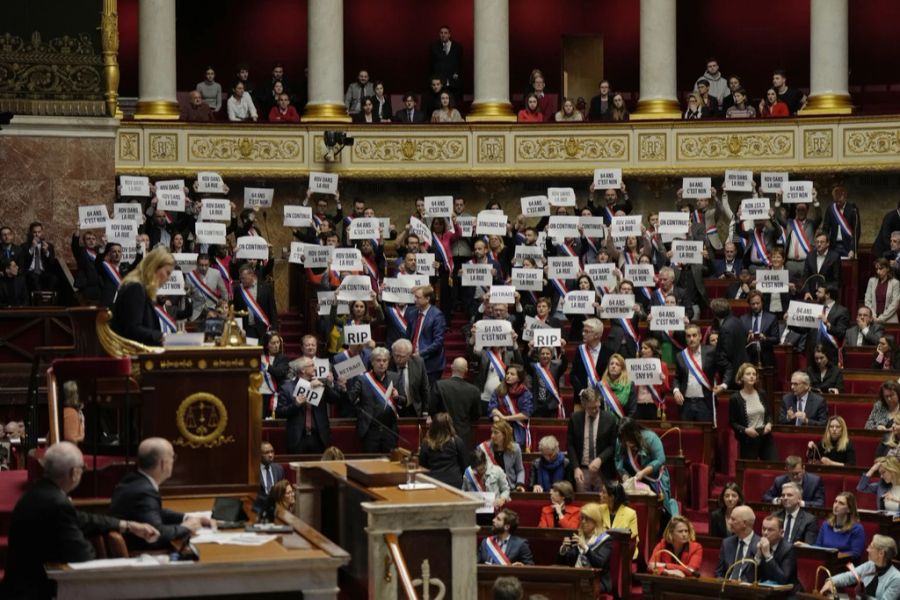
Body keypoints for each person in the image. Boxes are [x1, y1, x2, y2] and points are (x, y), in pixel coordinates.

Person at [1, 442, 159, 599]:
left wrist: (127, 525)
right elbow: (83, 556)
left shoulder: (40, 491)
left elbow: (83, 519)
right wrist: (96, 544)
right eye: (83, 468)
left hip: (21, 587)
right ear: (74, 472)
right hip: (37, 593)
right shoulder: (57, 503)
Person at [109, 437, 214, 550]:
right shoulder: (144, 491)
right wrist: (186, 527)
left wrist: (187, 517)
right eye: (173, 457)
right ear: (163, 464)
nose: (174, 461)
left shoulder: (133, 479)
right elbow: (158, 535)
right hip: (140, 554)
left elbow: (154, 512)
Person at [110, 246, 174, 346]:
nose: (168, 278)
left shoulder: (139, 287)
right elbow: (132, 329)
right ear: (155, 267)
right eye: (167, 273)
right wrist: (161, 336)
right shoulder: (135, 288)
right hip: (132, 354)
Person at [615, 418, 678, 516]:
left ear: (635, 433)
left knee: (662, 511)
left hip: (653, 478)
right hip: (633, 480)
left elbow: (660, 459)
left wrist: (643, 472)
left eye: (628, 439)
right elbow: (618, 460)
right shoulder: (620, 441)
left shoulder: (650, 437)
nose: (627, 443)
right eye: (624, 440)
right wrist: (624, 475)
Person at [349, 347, 405, 453]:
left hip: (389, 430)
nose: (381, 363)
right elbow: (351, 399)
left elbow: (404, 401)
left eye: (385, 360)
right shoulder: (363, 379)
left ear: (388, 362)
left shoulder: (395, 377)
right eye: (378, 360)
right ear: (372, 362)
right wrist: (343, 386)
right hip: (370, 430)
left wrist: (397, 397)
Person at [277, 356, 337, 454]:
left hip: (319, 436)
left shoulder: (320, 384)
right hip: (298, 438)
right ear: (303, 370)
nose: (315, 368)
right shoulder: (287, 387)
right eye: (312, 365)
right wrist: (295, 404)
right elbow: (279, 412)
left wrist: (326, 385)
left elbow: (335, 400)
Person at [567, 388, 618, 491]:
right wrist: (576, 467)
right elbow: (570, 445)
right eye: (591, 408)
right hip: (582, 469)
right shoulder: (575, 418)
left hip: (603, 469)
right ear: (584, 405)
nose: (595, 410)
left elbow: (613, 445)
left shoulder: (610, 419)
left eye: (597, 406)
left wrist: (600, 458)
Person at [821, 535, 900, 599]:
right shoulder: (870, 565)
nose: (867, 549)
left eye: (871, 547)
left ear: (881, 553)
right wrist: (832, 581)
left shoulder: (896, 579)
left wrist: (864, 597)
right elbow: (849, 576)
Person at [557, 502, 613, 591]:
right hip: (576, 579)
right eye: (582, 518)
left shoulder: (606, 540)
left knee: (581, 588)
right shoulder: (576, 537)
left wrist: (585, 548)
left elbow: (599, 564)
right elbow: (566, 564)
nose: (583, 522)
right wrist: (564, 550)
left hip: (597, 581)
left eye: (587, 519)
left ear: (596, 520)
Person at [673, 323, 722, 422]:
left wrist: (723, 384)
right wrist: (676, 391)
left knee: (706, 435)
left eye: (694, 335)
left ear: (700, 336)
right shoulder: (680, 356)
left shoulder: (711, 351)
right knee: (688, 435)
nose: (691, 339)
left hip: (704, 402)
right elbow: (677, 377)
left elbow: (725, 367)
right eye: (688, 336)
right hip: (686, 403)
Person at [433, 357, 482, 452]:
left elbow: (432, 409)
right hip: (464, 435)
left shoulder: (439, 385)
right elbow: (477, 415)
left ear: (451, 367)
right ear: (466, 370)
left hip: (442, 434)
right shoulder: (474, 390)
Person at [730, 363, 777, 460]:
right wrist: (745, 430)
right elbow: (732, 422)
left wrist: (769, 423)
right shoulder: (735, 398)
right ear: (741, 377)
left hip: (765, 436)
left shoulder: (762, 393)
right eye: (748, 374)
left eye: (754, 374)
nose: (752, 376)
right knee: (750, 470)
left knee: (772, 465)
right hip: (748, 438)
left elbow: (768, 414)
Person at [405, 285, 446, 384]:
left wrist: (420, 353)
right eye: (415, 297)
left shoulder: (437, 315)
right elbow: (408, 336)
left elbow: (438, 342)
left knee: (429, 395)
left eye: (418, 298)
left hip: (431, 363)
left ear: (427, 299)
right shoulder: (413, 313)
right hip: (413, 360)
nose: (415, 300)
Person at [810, 492, 865, 562]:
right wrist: (807, 547)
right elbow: (818, 546)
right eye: (835, 502)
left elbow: (856, 554)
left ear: (849, 509)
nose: (836, 505)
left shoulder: (857, 529)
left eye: (841, 503)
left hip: (844, 565)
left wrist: (837, 556)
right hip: (825, 562)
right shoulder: (826, 525)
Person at [488, 365, 533, 450]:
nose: (508, 376)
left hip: (518, 428)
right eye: (507, 373)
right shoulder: (498, 390)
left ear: (519, 378)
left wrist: (505, 417)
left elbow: (526, 414)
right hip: (501, 428)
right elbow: (493, 409)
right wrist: (499, 422)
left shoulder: (525, 393)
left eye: (512, 374)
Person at [418, 413, 467, 488]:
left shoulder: (426, 443)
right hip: (454, 483)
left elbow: (422, 466)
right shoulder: (457, 441)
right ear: (450, 426)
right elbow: (463, 464)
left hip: (433, 483)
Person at [714, 505, 760, 582]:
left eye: (733, 519)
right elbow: (719, 573)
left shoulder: (760, 545)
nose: (729, 522)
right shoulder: (727, 543)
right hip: (727, 588)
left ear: (744, 523)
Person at [712, 298, 749, 389]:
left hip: (733, 372)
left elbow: (727, 353)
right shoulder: (737, 321)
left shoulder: (725, 328)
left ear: (715, 313)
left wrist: (717, 358)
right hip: (742, 366)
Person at [597, 480, 639, 558]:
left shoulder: (630, 513)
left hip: (623, 553)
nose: (600, 494)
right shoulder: (600, 509)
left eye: (603, 492)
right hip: (602, 551)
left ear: (612, 497)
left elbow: (633, 539)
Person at [755, 514, 798, 589]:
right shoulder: (758, 545)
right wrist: (758, 555)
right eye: (763, 529)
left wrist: (768, 556)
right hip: (765, 591)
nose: (765, 533)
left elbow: (783, 580)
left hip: (786, 593)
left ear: (781, 533)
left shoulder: (789, 549)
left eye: (770, 530)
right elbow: (752, 577)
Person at [390, 339, 431, 418]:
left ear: (409, 355)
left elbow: (425, 389)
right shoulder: (388, 363)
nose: (398, 359)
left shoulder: (418, 363)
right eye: (396, 355)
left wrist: (425, 411)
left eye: (402, 356)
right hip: (394, 409)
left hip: (414, 408)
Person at [480, 420, 525, 491]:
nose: (492, 436)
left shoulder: (515, 448)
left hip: (509, 488)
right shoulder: (485, 448)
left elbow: (520, 470)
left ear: (505, 434)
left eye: (496, 433)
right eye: (492, 432)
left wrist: (519, 484)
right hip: (490, 489)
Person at [429, 25, 463, 104]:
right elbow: (431, 66)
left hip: (454, 85)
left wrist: (457, 75)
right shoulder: (434, 47)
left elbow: (460, 65)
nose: (443, 35)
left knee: (454, 106)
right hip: (440, 85)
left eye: (445, 33)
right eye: (441, 33)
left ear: (449, 34)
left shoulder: (457, 47)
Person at [252, 442, 285, 515]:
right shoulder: (253, 470)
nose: (270, 455)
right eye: (266, 452)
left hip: (277, 508)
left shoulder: (279, 469)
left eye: (272, 452)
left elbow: (282, 490)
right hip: (258, 508)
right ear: (259, 454)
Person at [865, 259, 900, 324]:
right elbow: (867, 300)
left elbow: (895, 304)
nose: (878, 271)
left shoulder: (895, 283)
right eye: (876, 269)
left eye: (881, 269)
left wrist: (881, 318)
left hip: (890, 319)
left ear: (887, 269)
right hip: (873, 318)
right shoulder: (871, 281)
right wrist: (873, 315)